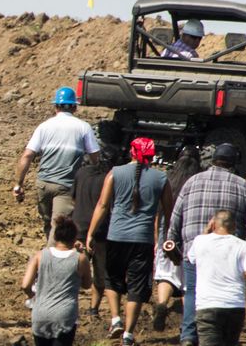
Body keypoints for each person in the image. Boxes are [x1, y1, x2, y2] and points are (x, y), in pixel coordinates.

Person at [167, 143, 246, 346]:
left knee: (192, 290)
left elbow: (176, 214)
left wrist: (171, 241)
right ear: (234, 164)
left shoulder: (192, 181)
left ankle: (189, 336)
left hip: (195, 247)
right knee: (225, 288)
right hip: (229, 251)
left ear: (211, 160)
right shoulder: (243, 186)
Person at [87, 137, 172, 345]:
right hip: (142, 240)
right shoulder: (161, 179)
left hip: (116, 236)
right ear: (152, 156)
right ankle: (128, 334)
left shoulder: (115, 173)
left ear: (132, 153)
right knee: (136, 287)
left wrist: (90, 233)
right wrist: (168, 236)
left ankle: (115, 319)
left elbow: (102, 205)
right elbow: (169, 212)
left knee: (112, 279)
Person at [13, 87, 100, 243]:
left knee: (49, 225)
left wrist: (18, 184)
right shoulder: (83, 127)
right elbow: (95, 158)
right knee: (58, 228)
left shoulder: (44, 127)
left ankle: (50, 255)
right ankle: (51, 260)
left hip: (43, 185)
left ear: (55, 106)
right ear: (74, 106)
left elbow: (27, 155)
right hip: (65, 186)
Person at [188, 210, 246, 346]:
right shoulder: (244, 246)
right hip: (234, 306)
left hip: (207, 307)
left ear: (213, 224)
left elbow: (191, 258)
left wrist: (206, 230)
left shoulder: (199, 241)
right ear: (234, 226)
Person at [152, 146, 202, 332]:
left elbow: (159, 213)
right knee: (188, 280)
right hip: (190, 232)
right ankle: (187, 324)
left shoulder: (168, 180)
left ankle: (162, 304)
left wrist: (158, 238)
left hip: (167, 232)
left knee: (166, 273)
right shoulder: (197, 182)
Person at [22, 216, 92, 346]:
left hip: (40, 313)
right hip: (65, 316)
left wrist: (33, 297)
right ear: (74, 238)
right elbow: (87, 285)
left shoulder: (40, 255)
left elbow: (25, 285)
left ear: (55, 236)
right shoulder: (80, 259)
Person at [71, 144, 122, 317]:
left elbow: (73, 197)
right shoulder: (111, 179)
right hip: (102, 231)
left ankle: (70, 303)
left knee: (73, 270)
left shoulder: (82, 173)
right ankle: (93, 309)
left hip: (77, 229)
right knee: (101, 272)